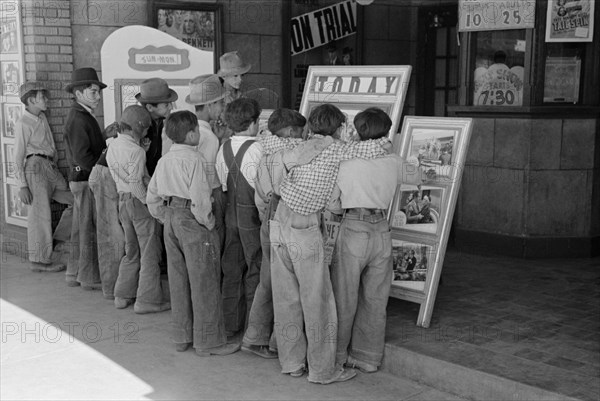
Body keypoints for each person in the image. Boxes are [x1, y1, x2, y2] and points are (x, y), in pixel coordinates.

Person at [268, 104, 390, 384]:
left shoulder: (297, 144)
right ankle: (323, 370)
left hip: (279, 220)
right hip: (305, 226)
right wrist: (383, 138)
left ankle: (292, 362)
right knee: (318, 300)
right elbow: (372, 150)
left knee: (287, 298)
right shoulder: (334, 149)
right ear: (336, 128)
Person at [329, 107, 424, 375]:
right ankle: (368, 357)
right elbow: (417, 176)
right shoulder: (394, 161)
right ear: (387, 131)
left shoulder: (345, 160)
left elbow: (333, 202)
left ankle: (337, 356)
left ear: (358, 131)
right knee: (375, 297)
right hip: (382, 230)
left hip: (353, 228)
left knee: (344, 296)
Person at [147, 110, 239, 356]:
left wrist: (164, 216)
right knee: (205, 280)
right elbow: (200, 198)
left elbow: (152, 195)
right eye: (197, 130)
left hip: (172, 219)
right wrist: (208, 223)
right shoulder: (195, 159)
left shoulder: (164, 160)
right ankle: (209, 342)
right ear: (189, 135)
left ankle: (182, 336)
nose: (200, 133)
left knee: (178, 280)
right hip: (193, 221)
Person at [241, 108, 307, 359]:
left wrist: (266, 220)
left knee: (268, 281)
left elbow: (259, 197)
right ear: (291, 131)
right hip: (286, 218)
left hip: (267, 218)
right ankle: (273, 341)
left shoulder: (266, 153)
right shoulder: (292, 155)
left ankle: (257, 337)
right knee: (288, 284)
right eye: (301, 131)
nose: (303, 136)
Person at [106, 105, 170, 314]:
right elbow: (136, 182)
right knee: (150, 252)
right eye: (145, 129)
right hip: (137, 202)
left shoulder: (113, 145)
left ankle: (122, 294)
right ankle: (148, 300)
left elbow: (126, 176)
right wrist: (150, 204)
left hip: (122, 202)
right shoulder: (137, 151)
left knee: (131, 250)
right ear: (139, 128)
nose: (147, 132)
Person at [215, 98, 263, 338]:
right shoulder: (258, 149)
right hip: (251, 216)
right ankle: (254, 330)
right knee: (255, 268)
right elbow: (263, 190)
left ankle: (231, 322)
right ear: (254, 123)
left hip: (229, 214)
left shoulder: (223, 147)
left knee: (232, 269)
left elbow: (223, 184)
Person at [14, 81, 73, 272]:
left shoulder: (42, 117)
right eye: (42, 97)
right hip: (35, 167)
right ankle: (39, 261)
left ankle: (57, 242)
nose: (46, 100)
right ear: (31, 100)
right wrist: (22, 185)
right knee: (40, 214)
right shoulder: (23, 123)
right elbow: (18, 156)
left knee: (76, 200)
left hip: (50, 167)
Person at [63, 67, 107, 289]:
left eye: (98, 91)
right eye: (92, 92)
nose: (97, 96)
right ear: (78, 94)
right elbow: (82, 155)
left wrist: (104, 135)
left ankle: (74, 273)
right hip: (85, 178)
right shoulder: (79, 117)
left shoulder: (81, 115)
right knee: (88, 229)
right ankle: (88, 278)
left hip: (80, 178)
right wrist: (100, 172)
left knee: (80, 228)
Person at [185, 74, 227, 252]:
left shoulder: (190, 130)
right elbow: (207, 178)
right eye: (221, 103)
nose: (223, 107)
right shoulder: (208, 137)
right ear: (210, 105)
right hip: (207, 198)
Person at [89, 121, 124, 300]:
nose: (170, 107)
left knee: (115, 233)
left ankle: (117, 286)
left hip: (106, 173)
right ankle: (111, 289)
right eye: (166, 104)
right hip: (105, 175)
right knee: (111, 235)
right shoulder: (140, 122)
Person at [135, 77, 178, 176]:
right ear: (150, 107)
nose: (171, 107)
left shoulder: (161, 120)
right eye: (166, 105)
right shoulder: (137, 125)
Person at [214, 51, 251, 143]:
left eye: (241, 75)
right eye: (235, 76)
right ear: (224, 77)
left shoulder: (242, 97)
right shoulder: (217, 99)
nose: (240, 79)